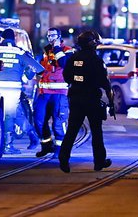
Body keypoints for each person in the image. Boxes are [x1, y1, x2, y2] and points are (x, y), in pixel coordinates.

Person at [58, 30, 114, 173]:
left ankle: (63, 159)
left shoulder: (73, 58)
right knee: (96, 132)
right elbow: (104, 82)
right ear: (93, 44)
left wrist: (78, 82)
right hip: (91, 100)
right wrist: (111, 100)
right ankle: (99, 162)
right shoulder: (96, 60)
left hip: (76, 98)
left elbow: (67, 77)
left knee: (71, 130)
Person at [0, 28, 44, 154]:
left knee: (4, 116)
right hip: (13, 90)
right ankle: (32, 136)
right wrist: (24, 78)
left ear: (2, 38)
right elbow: (38, 69)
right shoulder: (20, 52)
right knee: (14, 114)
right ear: (14, 39)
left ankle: (7, 145)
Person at [34, 27, 74, 158]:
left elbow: (64, 63)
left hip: (59, 93)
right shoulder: (46, 51)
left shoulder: (68, 51)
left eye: (53, 36)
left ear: (59, 36)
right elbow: (43, 68)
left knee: (58, 122)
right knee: (39, 121)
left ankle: (60, 149)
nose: (50, 38)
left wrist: (57, 48)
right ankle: (46, 145)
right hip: (44, 92)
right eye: (48, 36)